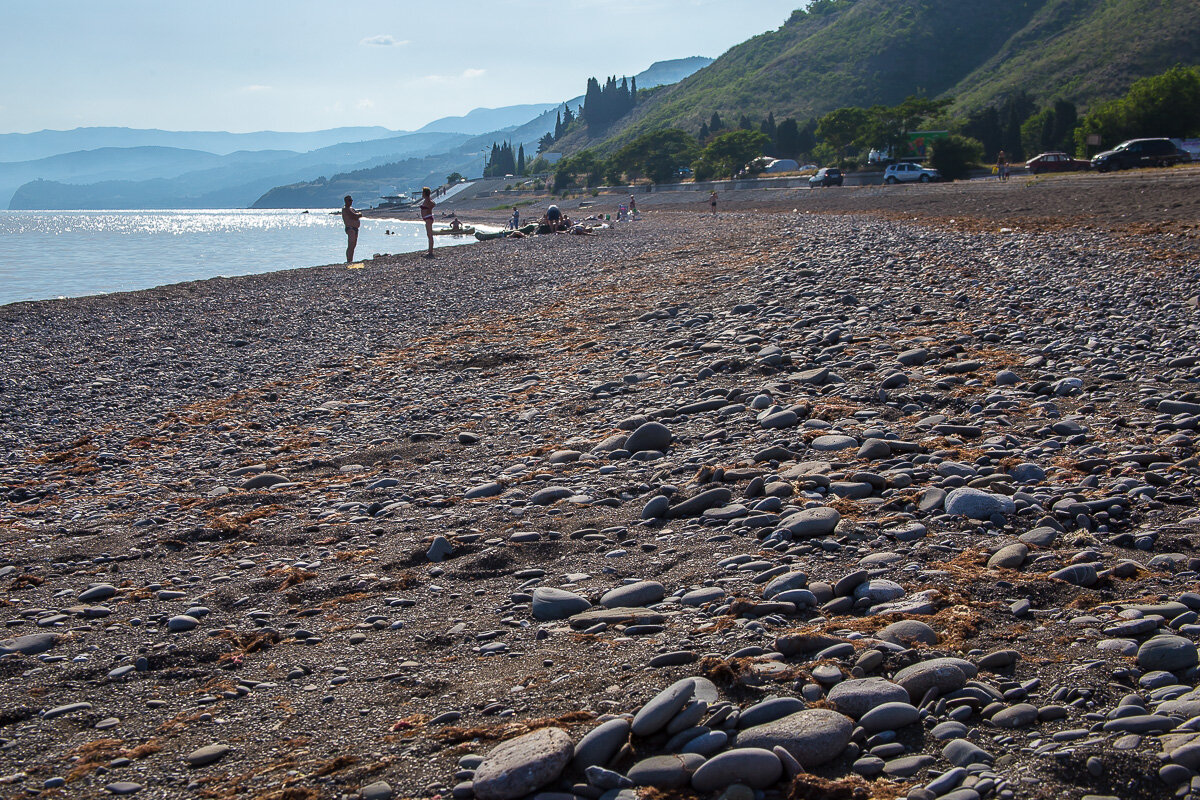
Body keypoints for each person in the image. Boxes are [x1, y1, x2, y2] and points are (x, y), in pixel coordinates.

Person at [341, 195, 363, 263]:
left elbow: (358, 214)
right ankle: (349, 260)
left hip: (355, 228)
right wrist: (358, 214)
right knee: (350, 245)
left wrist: (358, 214)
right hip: (350, 229)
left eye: (351, 200)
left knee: (353, 245)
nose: (351, 202)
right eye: (349, 200)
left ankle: (351, 260)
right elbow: (354, 216)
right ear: (346, 201)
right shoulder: (346, 209)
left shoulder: (351, 209)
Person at [419, 187, 435, 256]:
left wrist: (429, 209)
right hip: (427, 218)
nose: (422, 194)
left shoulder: (428, 200)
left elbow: (433, 204)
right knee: (429, 235)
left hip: (428, 218)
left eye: (422, 192)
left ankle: (430, 252)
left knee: (430, 235)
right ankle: (429, 250)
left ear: (425, 193)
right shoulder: (427, 200)